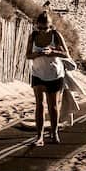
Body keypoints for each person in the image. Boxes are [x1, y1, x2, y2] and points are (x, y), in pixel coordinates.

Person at [27, 12, 70, 145]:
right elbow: (28, 55)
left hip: (54, 74)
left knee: (53, 106)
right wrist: (37, 54)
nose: (41, 30)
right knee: (39, 105)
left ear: (50, 26)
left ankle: (54, 132)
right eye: (39, 27)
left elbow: (66, 54)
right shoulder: (33, 36)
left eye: (44, 28)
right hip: (38, 74)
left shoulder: (55, 35)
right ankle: (39, 136)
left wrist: (52, 52)